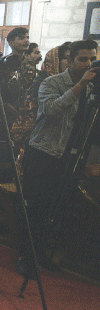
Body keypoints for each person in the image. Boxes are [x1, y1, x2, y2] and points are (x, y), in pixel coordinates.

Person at [19, 39, 98, 276]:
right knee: (36, 208)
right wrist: (80, 86)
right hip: (43, 154)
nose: (88, 64)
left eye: (92, 59)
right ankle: (25, 257)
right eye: (83, 59)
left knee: (55, 209)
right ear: (70, 60)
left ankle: (41, 253)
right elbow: (51, 110)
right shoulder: (51, 82)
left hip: (68, 157)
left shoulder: (93, 88)